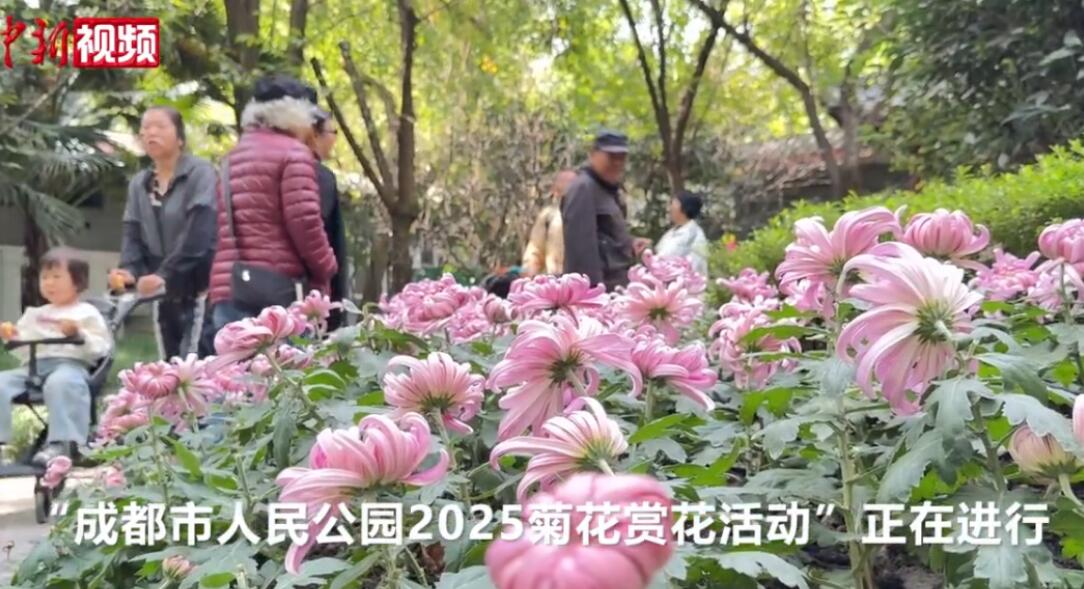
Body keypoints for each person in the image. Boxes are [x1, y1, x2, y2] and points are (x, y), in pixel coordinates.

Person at [209, 75, 338, 331]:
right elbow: (305, 223)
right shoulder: (293, 154)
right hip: (277, 292)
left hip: (230, 288)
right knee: (285, 358)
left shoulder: (232, 157)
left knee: (235, 358)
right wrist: (328, 266)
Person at [110, 106, 218, 360]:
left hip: (199, 287)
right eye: (146, 128)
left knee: (194, 365)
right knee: (169, 365)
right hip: (163, 293)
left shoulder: (200, 173)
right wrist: (129, 269)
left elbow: (199, 232)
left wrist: (164, 274)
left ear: (180, 137)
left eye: (160, 126)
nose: (151, 133)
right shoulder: (140, 183)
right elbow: (132, 231)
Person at [0, 248, 112, 463]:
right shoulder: (35, 314)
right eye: (44, 278)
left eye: (56, 277)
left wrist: (78, 333)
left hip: (70, 365)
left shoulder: (86, 312)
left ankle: (62, 444)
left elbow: (101, 346)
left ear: (77, 281)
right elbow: (23, 350)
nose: (49, 283)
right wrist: (12, 337)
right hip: (33, 367)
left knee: (62, 383)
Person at [561, 131, 648, 291]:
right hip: (600, 291)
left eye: (622, 157)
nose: (617, 163)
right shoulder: (583, 188)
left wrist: (630, 244)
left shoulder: (606, 190)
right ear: (593, 154)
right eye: (611, 156)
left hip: (618, 287)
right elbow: (581, 252)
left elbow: (606, 238)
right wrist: (593, 295)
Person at [306, 109, 350, 329]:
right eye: (333, 132)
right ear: (314, 134)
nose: (334, 140)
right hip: (306, 297)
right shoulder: (318, 177)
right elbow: (322, 239)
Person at [522, 169, 577, 276]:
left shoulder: (592, 217)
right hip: (553, 279)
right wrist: (529, 274)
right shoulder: (548, 217)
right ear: (555, 191)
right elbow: (534, 251)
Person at [655, 190, 710, 277]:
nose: (669, 209)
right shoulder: (670, 233)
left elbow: (693, 266)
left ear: (685, 208)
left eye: (673, 204)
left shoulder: (695, 236)